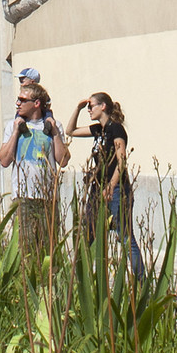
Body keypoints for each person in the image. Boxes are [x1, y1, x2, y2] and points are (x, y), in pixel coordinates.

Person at [67, 91, 144, 277]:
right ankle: (82, 281)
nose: (89, 110)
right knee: (88, 235)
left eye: (91, 106)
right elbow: (71, 131)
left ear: (103, 107)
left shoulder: (116, 129)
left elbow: (121, 161)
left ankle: (141, 282)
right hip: (97, 188)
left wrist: (111, 186)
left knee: (124, 236)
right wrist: (77, 108)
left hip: (116, 189)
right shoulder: (98, 130)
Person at [0, 72, 67, 255]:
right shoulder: (12, 126)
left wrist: (55, 134)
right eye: (18, 100)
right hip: (23, 197)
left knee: (48, 249)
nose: (18, 103)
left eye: (22, 100)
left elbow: (64, 160)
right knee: (24, 249)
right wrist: (15, 133)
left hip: (48, 198)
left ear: (36, 103)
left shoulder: (54, 126)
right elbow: (4, 160)